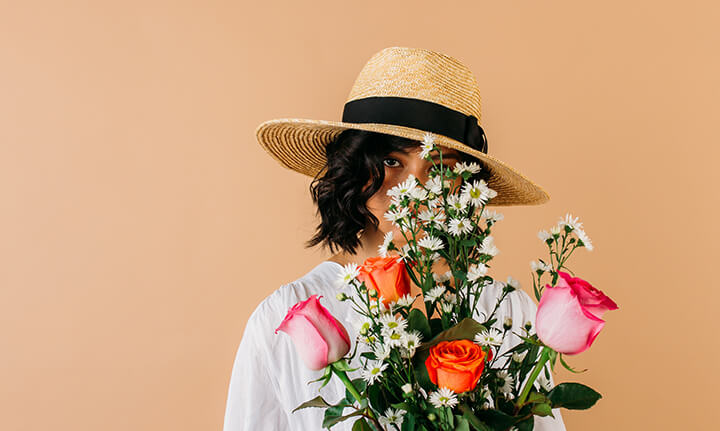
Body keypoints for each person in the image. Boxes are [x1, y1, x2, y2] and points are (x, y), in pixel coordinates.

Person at [222, 46, 567, 430]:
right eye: (391, 161)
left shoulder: (508, 315)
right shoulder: (288, 320)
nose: (412, 190)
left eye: (439, 166)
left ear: (464, 182)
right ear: (354, 165)